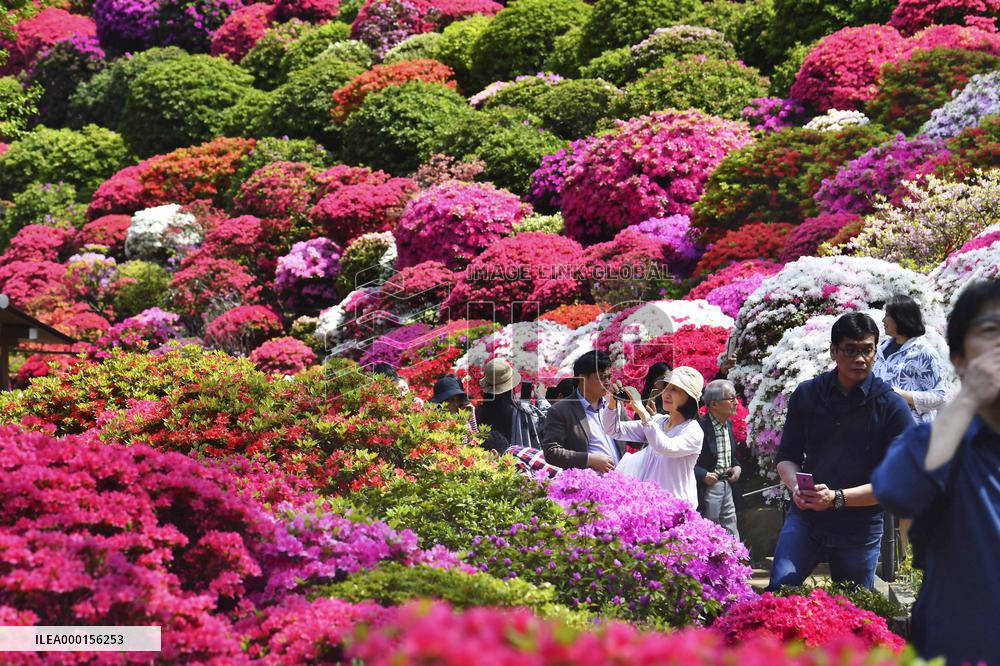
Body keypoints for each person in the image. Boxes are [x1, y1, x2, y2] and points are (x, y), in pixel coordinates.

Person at [872, 279, 1000, 666]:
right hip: (964, 648)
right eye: (991, 331)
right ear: (960, 359)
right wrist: (970, 399)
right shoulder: (938, 446)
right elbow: (894, 489)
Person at [767, 312, 913, 591]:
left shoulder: (891, 406)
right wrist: (797, 487)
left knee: (854, 604)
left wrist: (835, 498)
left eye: (867, 350)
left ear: (876, 351)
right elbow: (787, 457)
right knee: (780, 590)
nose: (860, 359)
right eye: (850, 350)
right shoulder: (808, 394)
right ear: (833, 351)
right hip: (807, 517)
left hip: (860, 526)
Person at [602, 367, 706, 507]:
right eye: (666, 388)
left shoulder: (693, 430)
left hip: (673, 507)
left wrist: (642, 411)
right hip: (646, 505)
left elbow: (666, 447)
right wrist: (613, 402)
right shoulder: (658, 421)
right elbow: (613, 429)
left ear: (689, 397)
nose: (666, 394)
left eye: (674, 389)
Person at [541, 351, 630, 471]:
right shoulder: (560, 410)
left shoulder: (613, 402)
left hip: (621, 477)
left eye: (609, 377)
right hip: (588, 481)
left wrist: (647, 418)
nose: (608, 382)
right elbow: (551, 452)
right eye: (602, 378)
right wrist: (589, 460)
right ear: (582, 378)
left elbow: (633, 439)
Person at [873, 294, 950, 424]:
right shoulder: (883, 347)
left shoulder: (923, 352)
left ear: (900, 318)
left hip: (911, 429)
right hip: (882, 427)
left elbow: (941, 397)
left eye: (887, 315)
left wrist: (899, 393)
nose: (883, 320)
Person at [695, 379, 742, 538]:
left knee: (731, 525)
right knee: (710, 528)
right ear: (714, 404)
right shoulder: (699, 429)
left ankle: (734, 553)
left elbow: (730, 456)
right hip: (709, 486)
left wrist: (737, 467)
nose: (736, 402)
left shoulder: (728, 424)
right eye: (731, 398)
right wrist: (703, 474)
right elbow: (685, 462)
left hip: (727, 484)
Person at [475, 358, 547, 453]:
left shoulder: (477, 412)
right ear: (511, 385)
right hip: (516, 460)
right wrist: (541, 398)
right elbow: (548, 421)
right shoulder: (522, 412)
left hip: (486, 460)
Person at [429, 374, 477, 444]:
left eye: (457, 400)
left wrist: (471, 418)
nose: (455, 404)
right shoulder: (435, 423)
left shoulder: (462, 421)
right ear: (441, 402)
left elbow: (475, 444)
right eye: (451, 400)